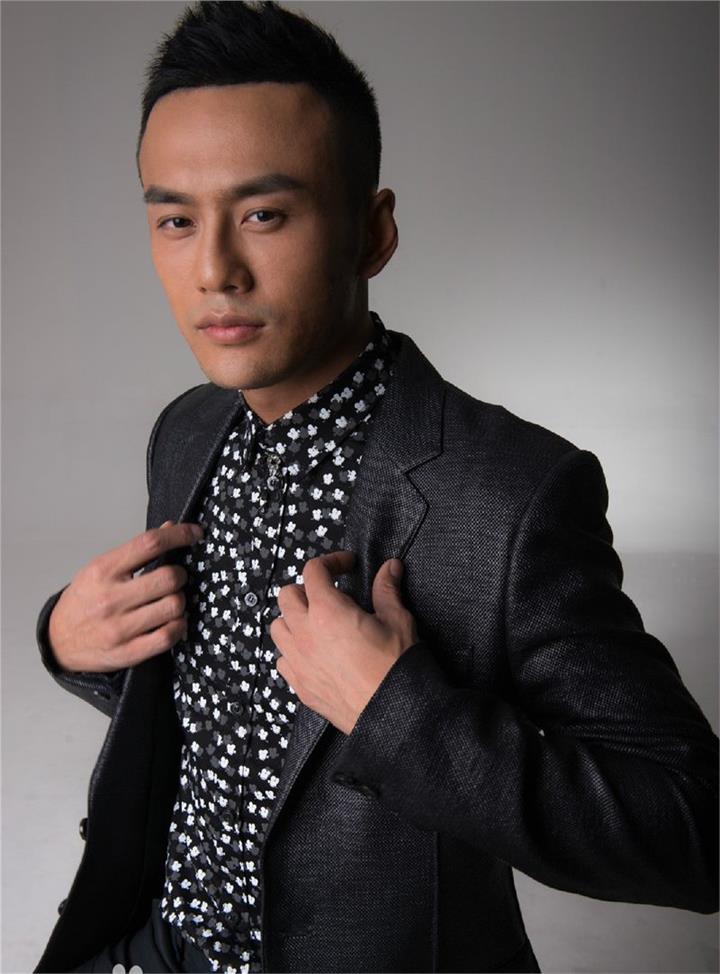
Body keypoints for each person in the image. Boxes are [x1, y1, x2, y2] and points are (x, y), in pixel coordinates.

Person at [34, 2, 718, 972]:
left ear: (372, 231)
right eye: (177, 220)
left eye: (264, 215)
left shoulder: (511, 497)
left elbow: (694, 828)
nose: (215, 270)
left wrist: (400, 712)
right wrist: (67, 641)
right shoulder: (186, 432)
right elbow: (231, 724)